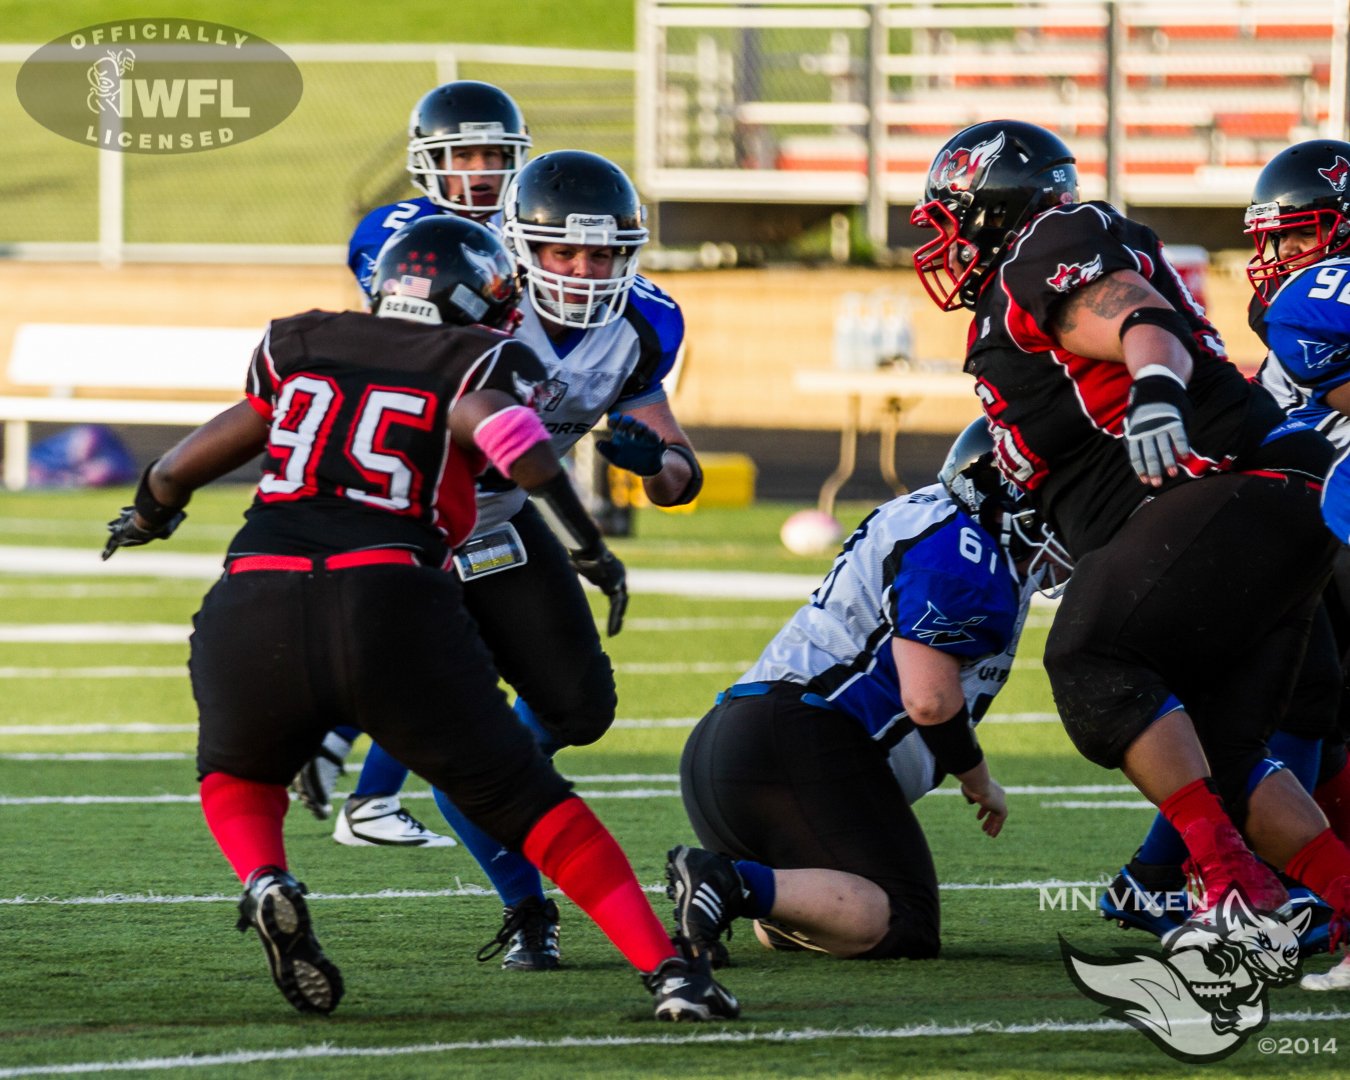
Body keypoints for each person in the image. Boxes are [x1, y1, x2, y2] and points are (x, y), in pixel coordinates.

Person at [101, 215, 737, 1022]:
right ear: (484, 299)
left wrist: (147, 521)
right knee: (531, 800)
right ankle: (671, 975)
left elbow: (171, 470)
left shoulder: (301, 344)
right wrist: (592, 553)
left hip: (252, 591)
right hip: (390, 595)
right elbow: (522, 450)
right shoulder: (474, 358)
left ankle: (267, 876)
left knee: (236, 772)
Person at [909, 119, 1350, 936]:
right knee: (1230, 765)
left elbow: (1136, 315)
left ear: (991, 213)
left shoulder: (1043, 245)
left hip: (1233, 490)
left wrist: (1154, 384)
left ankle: (1222, 885)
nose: (944, 242)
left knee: (1088, 657)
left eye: (950, 218)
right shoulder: (1018, 299)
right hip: (1274, 514)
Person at [318, 148, 699, 973]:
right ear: (523, 246)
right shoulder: (472, 296)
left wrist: (651, 461)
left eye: (601, 253)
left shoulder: (643, 326)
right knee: (474, 732)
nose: (582, 270)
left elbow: (680, 477)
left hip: (506, 519)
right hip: (414, 526)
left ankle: (482, 768)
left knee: (580, 709)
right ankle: (527, 908)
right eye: (563, 251)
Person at [666, 422, 1071, 963]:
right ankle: (724, 882)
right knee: (904, 921)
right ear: (1012, 503)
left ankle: (731, 892)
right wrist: (979, 782)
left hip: (734, 741)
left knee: (822, 921)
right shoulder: (962, 550)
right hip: (798, 743)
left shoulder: (932, 514)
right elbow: (929, 699)